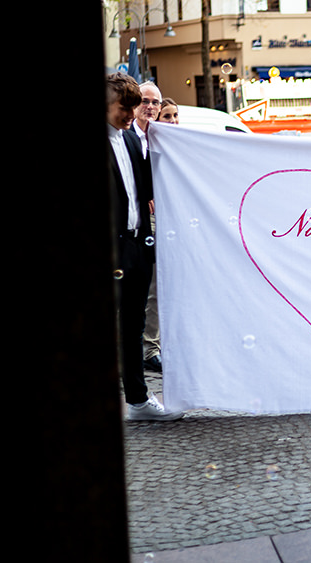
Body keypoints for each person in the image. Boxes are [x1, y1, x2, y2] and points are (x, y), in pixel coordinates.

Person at [105, 73, 181, 421]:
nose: (131, 114)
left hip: (136, 246)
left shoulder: (133, 142)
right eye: (125, 107)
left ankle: (137, 401)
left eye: (133, 107)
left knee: (134, 326)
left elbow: (149, 188)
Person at [134, 81, 163, 372]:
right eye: (145, 100)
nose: (151, 107)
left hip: (158, 220)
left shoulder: (163, 138)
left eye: (156, 102)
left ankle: (150, 347)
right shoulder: (125, 136)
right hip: (132, 221)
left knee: (154, 285)